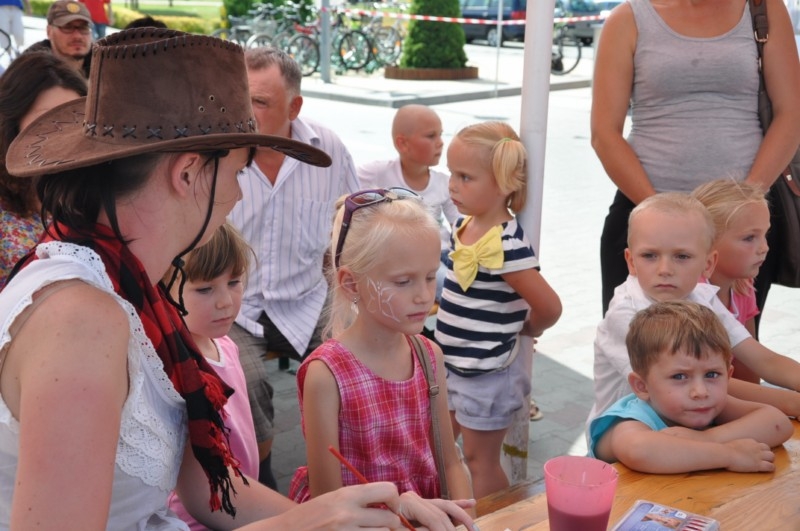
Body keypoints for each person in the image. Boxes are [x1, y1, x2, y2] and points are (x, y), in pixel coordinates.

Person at [0, 27, 473, 530]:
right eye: (238, 172)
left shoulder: (130, 286)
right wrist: (307, 523)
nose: (239, 195)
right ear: (188, 174)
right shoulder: (81, 320)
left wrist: (350, 517)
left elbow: (206, 488)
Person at [591, 0, 800, 319]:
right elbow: (604, 134)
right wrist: (667, 219)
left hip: (740, 226)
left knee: (733, 344)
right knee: (640, 343)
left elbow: (792, 115)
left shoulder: (764, 7)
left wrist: (741, 209)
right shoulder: (628, 18)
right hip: (648, 221)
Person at [288, 188, 474, 507]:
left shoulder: (429, 356)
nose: (424, 295)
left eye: (431, 277)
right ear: (351, 284)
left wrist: (465, 518)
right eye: (403, 282)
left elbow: (451, 462)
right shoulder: (326, 375)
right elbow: (328, 499)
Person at [227, 47, 360, 489]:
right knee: (244, 383)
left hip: (307, 298)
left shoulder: (327, 148)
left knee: (354, 365)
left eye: (260, 102)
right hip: (235, 305)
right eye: (240, 97)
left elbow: (352, 222)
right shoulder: (219, 151)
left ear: (294, 107)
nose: (246, 112)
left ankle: (349, 476)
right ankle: (261, 486)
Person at [590, 192, 800, 429]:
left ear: (708, 264)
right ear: (631, 261)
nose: (664, 269)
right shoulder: (627, 315)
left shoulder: (701, 299)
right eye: (650, 256)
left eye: (681, 256)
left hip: (689, 418)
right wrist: (791, 402)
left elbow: (764, 359)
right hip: (632, 434)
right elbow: (687, 383)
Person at [435, 122, 562, 498]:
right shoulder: (464, 224)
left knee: (480, 461)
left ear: (503, 183)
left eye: (465, 177)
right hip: (453, 366)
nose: (452, 185)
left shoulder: (506, 244)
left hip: (488, 374)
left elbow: (549, 306)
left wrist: (526, 328)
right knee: (440, 448)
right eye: (451, 173)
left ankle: (497, 518)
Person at [589, 300, 792, 474]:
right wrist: (729, 455)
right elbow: (638, 451)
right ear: (642, 386)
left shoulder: (709, 405)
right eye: (679, 377)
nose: (700, 392)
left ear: (728, 375)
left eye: (712, 374)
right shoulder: (632, 419)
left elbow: (778, 422)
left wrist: (706, 438)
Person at [164, 222, 260, 530]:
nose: (225, 301)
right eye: (205, 289)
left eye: (234, 282)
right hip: (199, 518)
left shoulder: (225, 344)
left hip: (241, 500)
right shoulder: (174, 368)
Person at [0, 52, 87, 289]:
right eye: (45, 122)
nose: (62, 136)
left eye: (74, 120)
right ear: (12, 127)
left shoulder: (98, 200)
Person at [356, 104, 458, 301]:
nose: (440, 143)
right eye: (431, 136)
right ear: (402, 143)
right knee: (451, 289)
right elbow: (344, 182)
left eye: (440, 135)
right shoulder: (378, 173)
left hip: (447, 252)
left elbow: (461, 224)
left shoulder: (443, 183)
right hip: (419, 261)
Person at [692, 179, 770, 384]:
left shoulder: (743, 286)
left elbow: (749, 364)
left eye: (765, 234)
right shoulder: (690, 295)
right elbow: (699, 381)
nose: (765, 247)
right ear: (707, 242)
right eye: (749, 238)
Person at [24, 0, 92, 77]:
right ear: (49, 31)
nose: (77, 36)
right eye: (67, 27)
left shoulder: (102, 64)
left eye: (83, 28)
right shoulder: (28, 72)